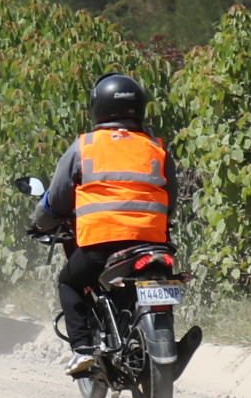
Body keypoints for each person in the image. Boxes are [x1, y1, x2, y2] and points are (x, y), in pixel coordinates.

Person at [31, 72, 173, 376]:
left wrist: (41, 223)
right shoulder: (156, 147)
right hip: (153, 243)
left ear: (98, 106)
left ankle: (82, 349)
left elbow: (56, 198)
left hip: (102, 242)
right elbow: (170, 196)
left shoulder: (86, 146)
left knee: (69, 281)